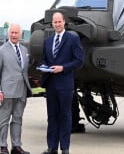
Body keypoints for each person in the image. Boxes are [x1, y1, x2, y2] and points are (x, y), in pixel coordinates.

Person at [40, 12, 83, 154]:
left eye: (59, 21)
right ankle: (52, 147)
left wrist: (63, 68)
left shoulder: (73, 39)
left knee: (65, 116)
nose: (57, 24)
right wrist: (43, 66)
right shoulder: (47, 41)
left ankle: (65, 148)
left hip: (65, 84)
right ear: (52, 23)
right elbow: (44, 59)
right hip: (51, 84)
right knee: (52, 116)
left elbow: (79, 60)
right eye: (55, 22)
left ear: (64, 22)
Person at [0, 24, 32, 154]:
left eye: (16, 33)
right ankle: (2, 146)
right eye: (12, 32)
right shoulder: (2, 50)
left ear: (20, 34)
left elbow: (24, 70)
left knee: (18, 119)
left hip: (22, 90)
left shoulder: (24, 50)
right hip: (7, 91)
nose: (14, 35)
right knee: (4, 120)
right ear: (8, 34)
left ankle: (16, 146)